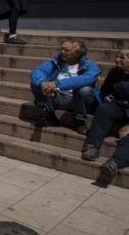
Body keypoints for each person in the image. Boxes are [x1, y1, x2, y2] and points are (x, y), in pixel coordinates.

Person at [30, 39, 100, 134]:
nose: (62, 52)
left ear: (77, 54)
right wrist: (43, 83)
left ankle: (80, 121)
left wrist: (57, 84)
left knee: (85, 90)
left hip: (77, 100)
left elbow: (87, 78)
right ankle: (49, 115)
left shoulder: (90, 65)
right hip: (56, 96)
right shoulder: (57, 60)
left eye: (66, 50)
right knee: (37, 83)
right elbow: (38, 70)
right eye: (61, 49)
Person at [81, 49, 129, 177]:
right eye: (117, 57)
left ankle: (115, 163)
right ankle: (92, 146)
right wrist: (105, 96)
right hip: (119, 106)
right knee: (104, 109)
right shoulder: (115, 72)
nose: (117, 60)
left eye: (122, 58)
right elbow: (105, 90)